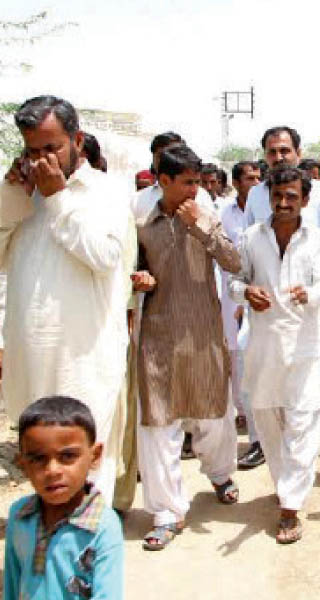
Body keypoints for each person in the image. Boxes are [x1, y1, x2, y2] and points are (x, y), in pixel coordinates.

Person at [0, 96, 130, 501]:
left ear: (77, 139)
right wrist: (11, 195)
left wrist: (57, 199)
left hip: (84, 359)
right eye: (33, 150)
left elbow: (105, 256)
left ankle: (84, 558)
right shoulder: (23, 194)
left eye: (51, 147)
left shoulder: (107, 191)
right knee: (42, 466)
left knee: (85, 463)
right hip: (31, 358)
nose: (42, 159)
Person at [134, 144, 241, 550]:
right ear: (163, 181)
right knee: (158, 424)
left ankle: (219, 473)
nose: (197, 189)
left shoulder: (207, 215)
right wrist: (138, 276)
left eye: (199, 182)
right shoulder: (143, 221)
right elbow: (134, 267)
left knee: (213, 412)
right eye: (189, 182)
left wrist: (201, 226)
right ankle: (166, 511)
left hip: (203, 333)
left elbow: (234, 262)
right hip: (158, 335)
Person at [230, 166, 320, 544]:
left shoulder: (317, 239)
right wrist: (246, 293)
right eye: (279, 195)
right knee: (269, 422)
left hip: (306, 346)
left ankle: (290, 507)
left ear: (305, 199)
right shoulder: (252, 237)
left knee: (304, 423)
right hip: (265, 346)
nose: (285, 202)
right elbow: (234, 282)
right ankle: (285, 484)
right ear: (269, 197)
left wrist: (312, 294)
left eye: (293, 196)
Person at [5, 396, 123, 600]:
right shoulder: (19, 515)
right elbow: (12, 584)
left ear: (94, 457)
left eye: (67, 456)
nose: (52, 470)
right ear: (22, 464)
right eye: (38, 459)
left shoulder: (102, 526)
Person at [243, 126, 320, 311]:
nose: (279, 157)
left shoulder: (317, 191)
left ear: (298, 153)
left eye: (285, 150)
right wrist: (248, 291)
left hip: (309, 297)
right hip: (267, 300)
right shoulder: (256, 194)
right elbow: (246, 246)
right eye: (272, 152)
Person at [222, 160, 265, 470]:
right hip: (240, 301)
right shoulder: (227, 215)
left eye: (257, 178)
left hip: (281, 306)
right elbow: (228, 262)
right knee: (245, 372)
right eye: (248, 178)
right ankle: (256, 441)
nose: (254, 182)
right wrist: (239, 296)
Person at [132, 131, 216, 223]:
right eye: (161, 156)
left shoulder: (202, 197)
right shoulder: (138, 200)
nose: (167, 160)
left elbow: (215, 234)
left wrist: (198, 223)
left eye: (173, 155)